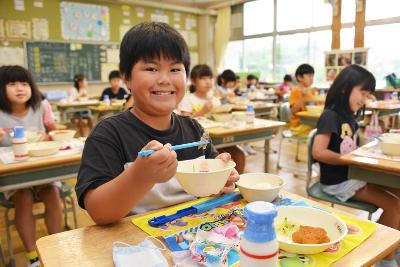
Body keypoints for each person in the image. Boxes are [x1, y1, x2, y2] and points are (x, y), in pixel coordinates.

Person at [75, 22, 239, 225]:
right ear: (126, 77)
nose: (164, 79)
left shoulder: (194, 130)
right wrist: (139, 176)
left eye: (175, 69)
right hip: (136, 243)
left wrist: (223, 179)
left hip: (196, 237)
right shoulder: (108, 134)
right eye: (151, 68)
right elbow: (99, 212)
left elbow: (214, 177)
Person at [312, 65, 400, 267]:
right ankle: (385, 258)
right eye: (362, 92)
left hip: (352, 175)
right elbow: (318, 152)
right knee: (393, 205)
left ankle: (391, 240)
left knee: (398, 189)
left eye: (368, 94)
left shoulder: (350, 118)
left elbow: (349, 148)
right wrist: (348, 160)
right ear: (345, 88)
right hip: (337, 181)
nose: (365, 98)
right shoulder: (330, 116)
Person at [0, 65, 62, 267]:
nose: (20, 88)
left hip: (42, 167)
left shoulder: (41, 106)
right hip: (14, 174)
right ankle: (32, 256)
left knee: (52, 194)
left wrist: (50, 134)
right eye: (12, 84)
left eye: (24, 83)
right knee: (23, 198)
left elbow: (53, 130)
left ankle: (55, 249)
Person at [180, 64, 245, 174]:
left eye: (210, 78)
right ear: (194, 81)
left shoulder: (215, 100)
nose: (208, 81)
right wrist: (202, 111)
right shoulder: (188, 99)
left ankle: (234, 186)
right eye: (203, 78)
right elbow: (185, 124)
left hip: (219, 137)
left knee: (239, 155)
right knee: (218, 159)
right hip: (200, 141)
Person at [289, 64, 317, 137]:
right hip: (299, 126)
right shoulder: (295, 91)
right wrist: (303, 98)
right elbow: (293, 111)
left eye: (313, 76)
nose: (312, 79)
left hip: (312, 123)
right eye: (309, 76)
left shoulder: (312, 91)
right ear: (299, 77)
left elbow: (316, 107)